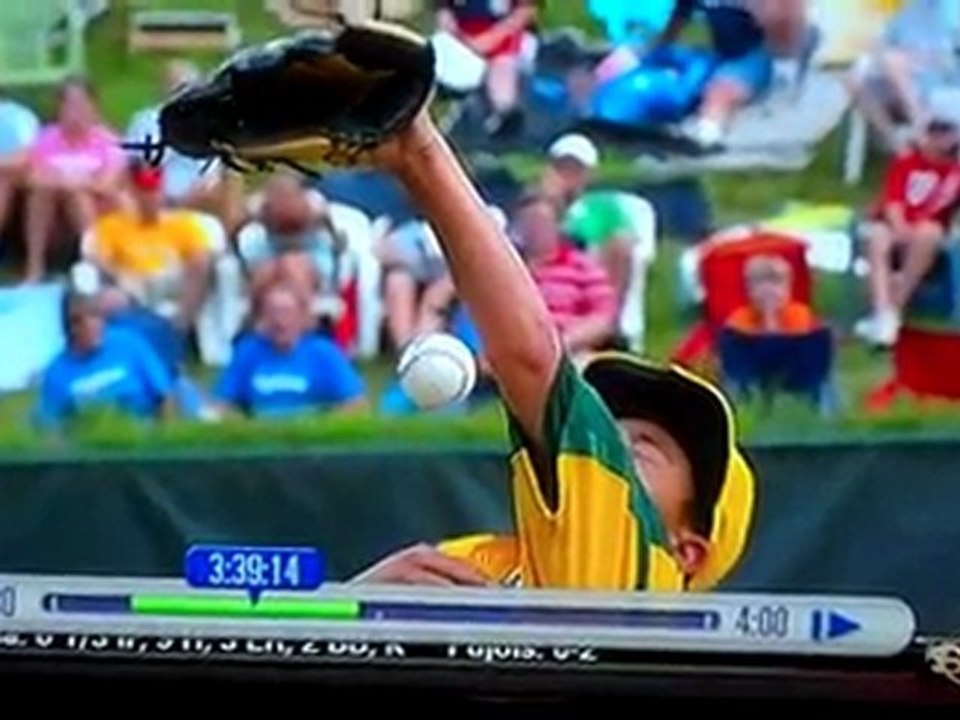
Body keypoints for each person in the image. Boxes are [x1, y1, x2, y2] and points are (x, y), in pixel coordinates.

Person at [351, 109, 756, 591]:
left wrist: (419, 154)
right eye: (608, 431)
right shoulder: (476, 563)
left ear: (685, 549)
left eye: (640, 452)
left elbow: (529, 359)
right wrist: (354, 602)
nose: (603, 448)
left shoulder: (638, 568)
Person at [855, 103, 960, 347]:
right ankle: (882, 310)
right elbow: (893, 203)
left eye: (947, 132)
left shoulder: (954, 171)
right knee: (878, 236)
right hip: (894, 226)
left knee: (929, 233)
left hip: (929, 232)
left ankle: (893, 309)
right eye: (935, 131)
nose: (940, 138)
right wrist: (900, 228)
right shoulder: (907, 161)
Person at [654, 0, 808, 149]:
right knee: (681, 81)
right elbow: (680, 15)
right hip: (720, 53)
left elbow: (783, 18)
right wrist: (659, 49)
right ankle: (655, 123)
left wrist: (783, 64)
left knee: (720, 92)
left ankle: (707, 136)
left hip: (755, 54)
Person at [88, 160, 213, 332]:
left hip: (171, 284)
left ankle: (181, 328)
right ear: (132, 193)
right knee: (109, 298)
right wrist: (121, 276)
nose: (150, 198)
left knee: (198, 266)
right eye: (143, 192)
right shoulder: (111, 226)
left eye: (154, 191)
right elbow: (96, 257)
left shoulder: (182, 224)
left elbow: (199, 259)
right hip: (130, 285)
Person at [214, 282, 366, 419]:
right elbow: (221, 405)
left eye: (286, 313)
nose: (280, 321)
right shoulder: (248, 352)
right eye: (273, 313)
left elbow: (355, 404)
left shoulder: (323, 352)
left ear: (302, 317)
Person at [23, 77, 124, 282]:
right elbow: (32, 177)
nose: (75, 112)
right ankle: (35, 266)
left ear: (93, 107)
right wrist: (67, 183)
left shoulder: (108, 141)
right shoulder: (47, 138)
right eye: (69, 105)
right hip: (54, 218)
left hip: (97, 213)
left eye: (81, 104)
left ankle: (97, 262)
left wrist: (70, 183)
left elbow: (106, 185)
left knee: (77, 197)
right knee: (40, 195)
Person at [35, 292, 175, 431]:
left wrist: (165, 433)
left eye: (97, 317)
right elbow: (51, 425)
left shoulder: (128, 343)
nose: (94, 326)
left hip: (144, 429)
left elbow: (164, 394)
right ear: (71, 328)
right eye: (81, 321)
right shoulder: (57, 372)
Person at [513, 192, 619, 358]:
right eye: (529, 223)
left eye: (541, 223)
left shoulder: (583, 267)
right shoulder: (508, 268)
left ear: (558, 225)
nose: (534, 230)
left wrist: (562, 344)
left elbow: (603, 319)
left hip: (570, 351)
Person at [846, 0, 960, 152]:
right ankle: (898, 145)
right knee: (854, 79)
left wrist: (925, 60)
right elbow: (881, 44)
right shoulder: (909, 11)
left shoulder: (951, 10)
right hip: (911, 85)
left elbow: (949, 54)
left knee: (894, 60)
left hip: (945, 85)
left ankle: (921, 129)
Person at [126, 59, 223, 210]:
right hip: (157, 197)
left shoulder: (207, 123)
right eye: (177, 87)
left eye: (191, 87)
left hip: (201, 197)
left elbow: (213, 171)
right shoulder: (146, 120)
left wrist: (200, 191)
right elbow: (141, 166)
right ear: (163, 88)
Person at [435, 0, 537, 135]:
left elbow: (525, 11)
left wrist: (489, 39)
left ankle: (502, 120)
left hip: (503, 39)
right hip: (461, 37)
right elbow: (444, 12)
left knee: (502, 87)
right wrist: (454, 33)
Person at [725, 255, 818, 335]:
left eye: (777, 282)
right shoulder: (738, 320)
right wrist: (767, 316)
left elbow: (791, 345)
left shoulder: (800, 314)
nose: (769, 291)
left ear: (788, 288)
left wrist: (771, 318)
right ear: (749, 290)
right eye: (759, 283)